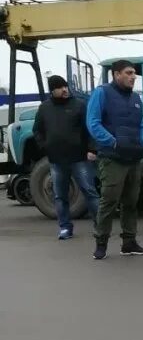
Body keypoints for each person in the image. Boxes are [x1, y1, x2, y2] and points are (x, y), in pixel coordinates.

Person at [86, 59, 143, 260]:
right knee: (109, 202)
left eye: (134, 74)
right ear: (116, 74)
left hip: (133, 159)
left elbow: (141, 125)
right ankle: (101, 243)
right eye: (129, 73)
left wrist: (142, 142)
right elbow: (93, 123)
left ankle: (129, 242)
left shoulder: (136, 99)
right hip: (112, 158)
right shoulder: (102, 93)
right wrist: (113, 142)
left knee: (131, 202)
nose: (133, 77)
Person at [32, 75, 99, 240]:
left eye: (65, 86)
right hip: (56, 160)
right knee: (60, 196)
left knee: (90, 192)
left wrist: (92, 149)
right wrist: (45, 146)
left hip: (79, 159)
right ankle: (65, 227)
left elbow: (89, 129)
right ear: (52, 90)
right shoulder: (44, 108)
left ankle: (100, 226)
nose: (64, 90)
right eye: (60, 87)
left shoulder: (79, 105)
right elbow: (37, 130)